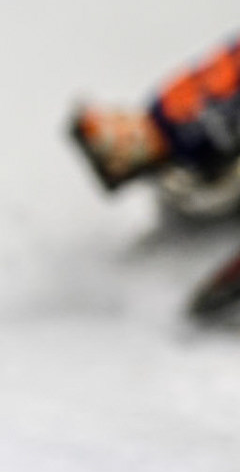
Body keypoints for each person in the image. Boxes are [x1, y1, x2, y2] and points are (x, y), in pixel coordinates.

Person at [72, 36, 240, 317]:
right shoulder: (182, 172)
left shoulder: (164, 111)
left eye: (113, 121)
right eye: (110, 141)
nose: (117, 121)